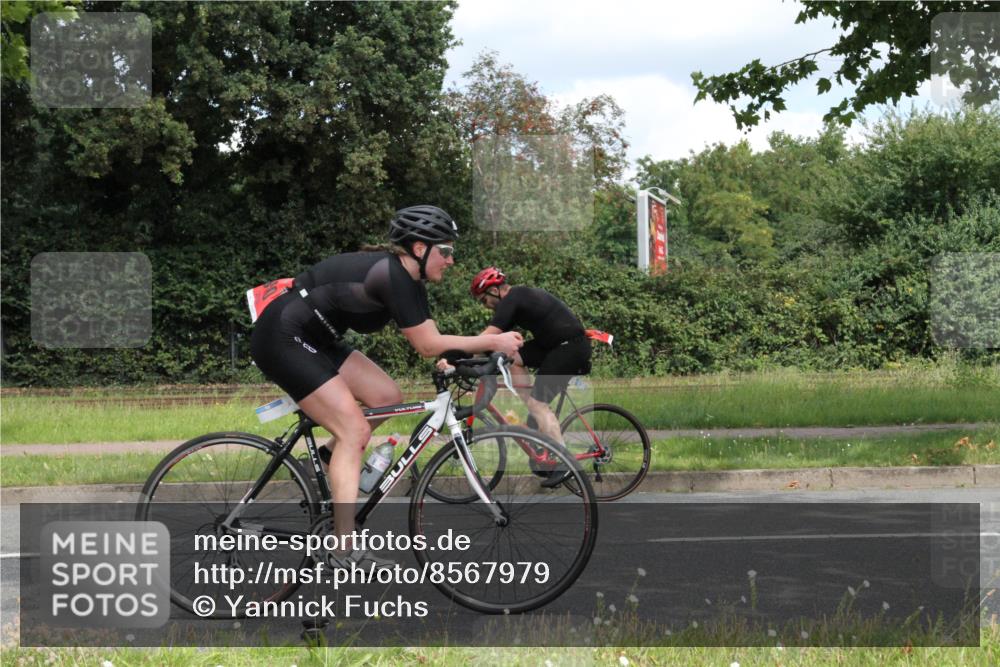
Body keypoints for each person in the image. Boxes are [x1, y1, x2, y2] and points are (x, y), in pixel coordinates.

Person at [250, 207, 523, 568]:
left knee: (387, 398)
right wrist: (494, 342)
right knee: (354, 430)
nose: (452, 259)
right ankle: (342, 549)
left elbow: (433, 340)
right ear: (419, 248)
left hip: (318, 337)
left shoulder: (410, 282)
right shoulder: (390, 275)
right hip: (284, 334)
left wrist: (467, 359)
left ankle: (330, 458)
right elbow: (428, 345)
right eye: (445, 250)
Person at [470, 266, 591, 447]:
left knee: (538, 405)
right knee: (513, 358)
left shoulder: (512, 299)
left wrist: (453, 359)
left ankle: (564, 463)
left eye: (484, 300)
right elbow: (493, 344)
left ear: (494, 291)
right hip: (556, 345)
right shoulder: (516, 300)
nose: (485, 305)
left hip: (570, 347)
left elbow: (486, 338)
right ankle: (534, 410)